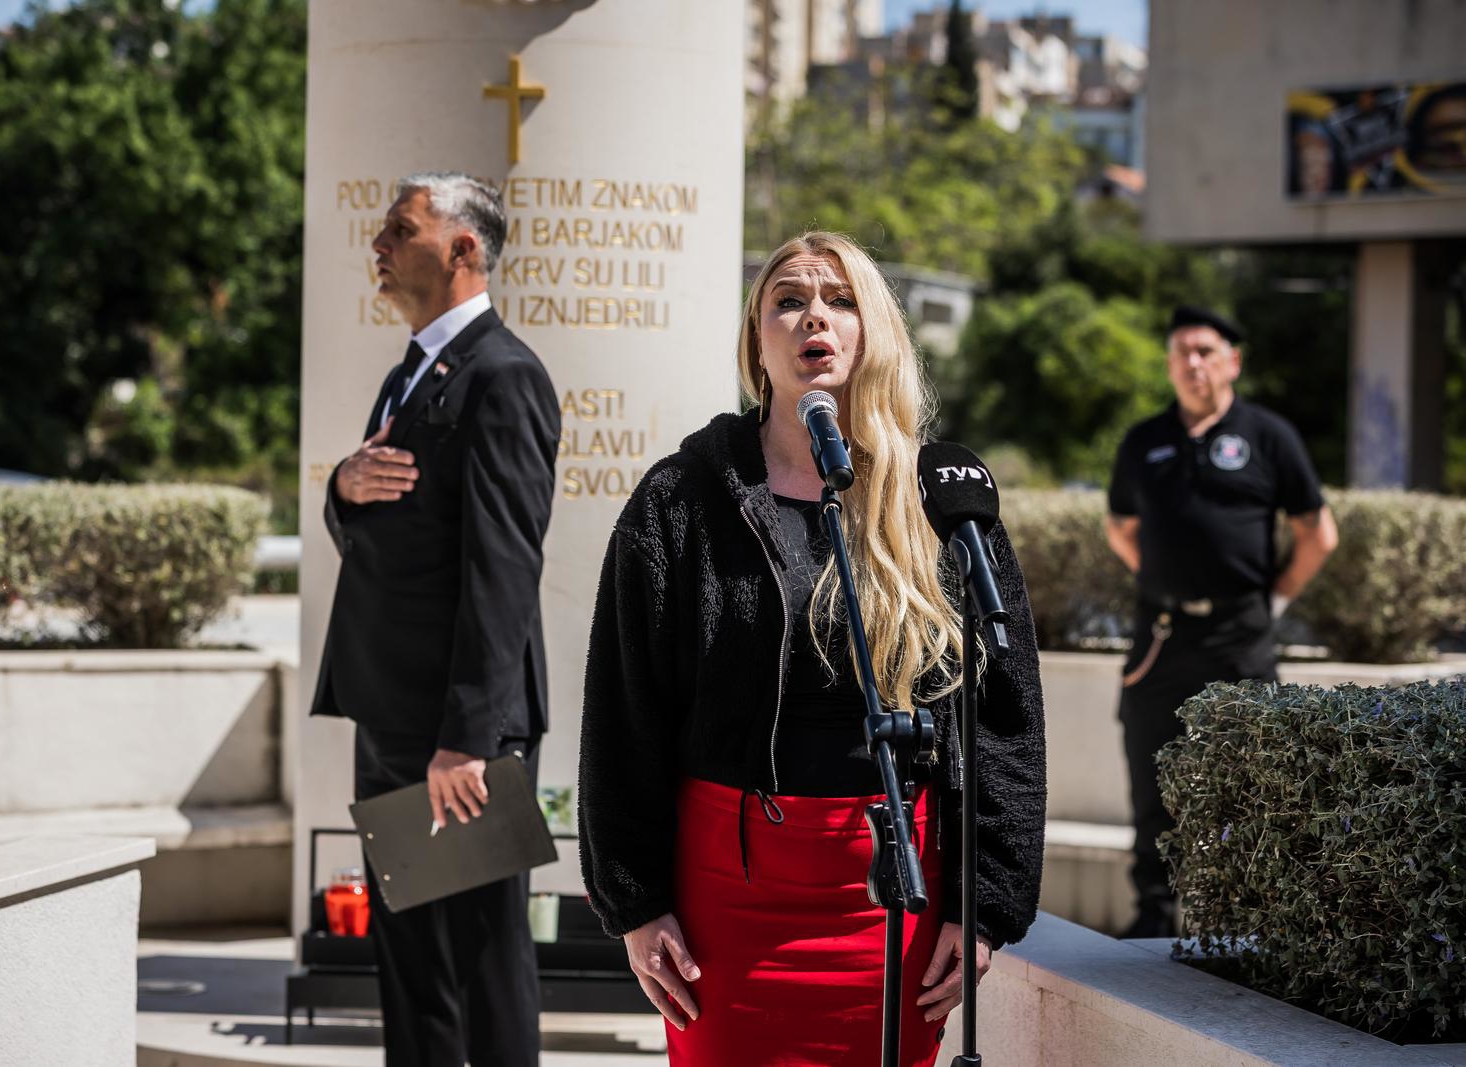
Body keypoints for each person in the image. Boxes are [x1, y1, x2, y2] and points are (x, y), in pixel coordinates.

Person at [577, 231, 1046, 1065]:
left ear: (874, 332)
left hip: (891, 902)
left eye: (839, 299)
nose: (812, 318)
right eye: (787, 300)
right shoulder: (679, 500)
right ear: (758, 342)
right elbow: (623, 710)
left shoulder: (938, 500)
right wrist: (635, 902)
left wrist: (985, 906)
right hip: (726, 904)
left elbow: (1004, 715)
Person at [310, 171, 561, 1067]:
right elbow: (374, 529)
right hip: (391, 715)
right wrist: (343, 485)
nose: (378, 242)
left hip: (456, 737)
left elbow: (504, 570)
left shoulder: (505, 376)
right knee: (413, 967)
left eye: (399, 227)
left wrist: (467, 738)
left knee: (480, 967)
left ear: (462, 248)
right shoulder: (406, 373)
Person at [1106, 305, 1338, 939]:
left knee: (1255, 778)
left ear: (1233, 361)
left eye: (1206, 350)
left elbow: (1318, 532)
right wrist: (1166, 586)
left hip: (1241, 637)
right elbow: (1121, 527)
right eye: (1181, 350)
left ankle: (1254, 917)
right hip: (1161, 636)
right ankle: (1153, 911)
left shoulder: (1268, 436)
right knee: (1150, 771)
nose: (1192, 362)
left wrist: (1275, 600)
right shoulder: (1144, 439)